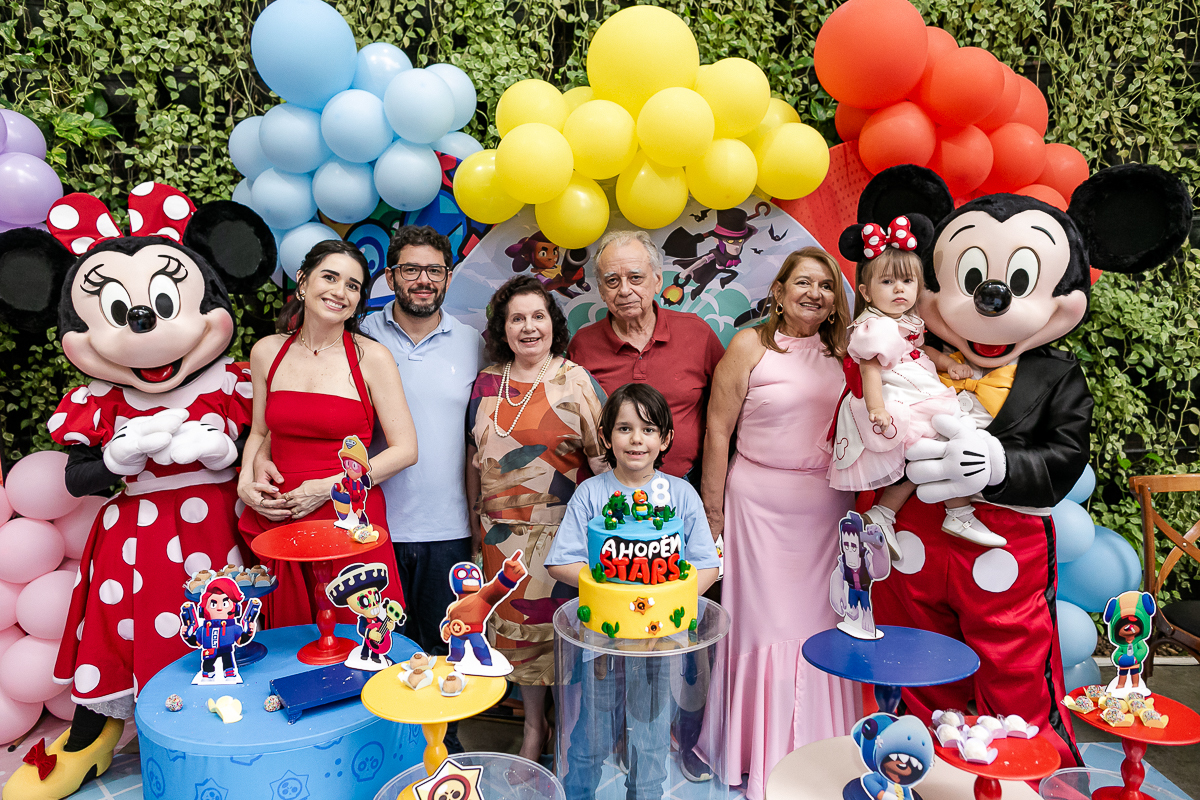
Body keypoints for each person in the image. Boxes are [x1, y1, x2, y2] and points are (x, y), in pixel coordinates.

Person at [702, 247, 861, 800]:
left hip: (824, 510)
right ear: (779, 289)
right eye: (803, 282)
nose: (814, 293)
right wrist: (713, 512)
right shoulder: (749, 346)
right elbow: (718, 431)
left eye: (825, 285)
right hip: (756, 507)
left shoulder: (847, 352)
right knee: (763, 628)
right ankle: (754, 752)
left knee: (822, 627)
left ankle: (823, 749)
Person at [546, 383, 720, 798]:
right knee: (590, 741)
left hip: (662, 646)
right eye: (624, 428)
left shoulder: (681, 495)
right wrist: (616, 585)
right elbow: (559, 561)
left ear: (666, 439)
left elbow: (708, 566)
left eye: (648, 429)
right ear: (606, 437)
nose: (636, 439)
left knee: (651, 745)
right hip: (601, 644)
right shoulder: (591, 493)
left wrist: (664, 594)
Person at [238, 239, 417, 628]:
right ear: (302, 282)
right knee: (289, 639)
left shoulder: (373, 357)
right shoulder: (267, 351)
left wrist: (325, 488)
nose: (340, 291)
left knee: (359, 633)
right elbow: (260, 433)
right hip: (280, 515)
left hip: (347, 516)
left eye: (352, 285)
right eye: (330, 277)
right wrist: (245, 483)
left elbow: (405, 450)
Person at [467, 275, 608, 762]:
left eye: (538, 316)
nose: (529, 327)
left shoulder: (577, 381)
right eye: (516, 318)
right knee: (514, 642)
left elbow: (606, 468)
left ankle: (570, 730)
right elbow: (474, 459)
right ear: (502, 329)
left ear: (554, 324)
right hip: (498, 540)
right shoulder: (486, 382)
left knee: (562, 641)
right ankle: (533, 728)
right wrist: (474, 526)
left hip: (561, 541)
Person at [829, 224, 1003, 548]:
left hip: (922, 391)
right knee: (945, 442)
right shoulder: (873, 327)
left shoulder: (907, 322)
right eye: (887, 281)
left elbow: (922, 351)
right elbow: (869, 372)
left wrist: (949, 364)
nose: (899, 289)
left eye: (907, 281)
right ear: (866, 292)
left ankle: (884, 515)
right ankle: (957, 513)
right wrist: (877, 409)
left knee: (935, 454)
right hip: (901, 399)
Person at [360, 226, 483, 658]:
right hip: (373, 527)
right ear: (390, 277)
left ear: (449, 277)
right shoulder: (359, 339)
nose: (424, 280)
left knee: (443, 651)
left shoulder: (474, 344)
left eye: (435, 270)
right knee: (378, 651)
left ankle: (441, 732)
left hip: (449, 531)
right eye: (411, 269)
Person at [567, 230, 724, 481]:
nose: (624, 290)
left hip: (687, 483)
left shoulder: (697, 333)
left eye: (636, 278)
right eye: (612, 281)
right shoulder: (582, 346)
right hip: (610, 491)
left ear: (658, 280)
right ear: (601, 290)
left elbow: (728, 413)